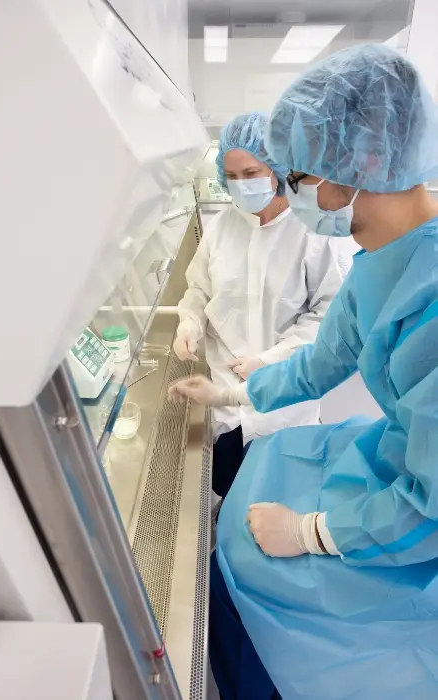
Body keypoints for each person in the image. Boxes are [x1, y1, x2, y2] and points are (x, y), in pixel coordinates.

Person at [170, 44, 438, 700]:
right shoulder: (380, 259)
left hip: (413, 526)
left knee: (244, 575)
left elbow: (428, 508)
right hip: (389, 469)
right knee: (232, 542)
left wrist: (311, 533)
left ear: (362, 166)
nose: (291, 195)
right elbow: (319, 364)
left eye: (296, 178)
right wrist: (231, 391)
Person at [173, 112, 344, 500]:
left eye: (250, 173)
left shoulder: (313, 233)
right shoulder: (223, 226)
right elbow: (200, 288)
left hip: (285, 407)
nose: (240, 185)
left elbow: (329, 319)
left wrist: (271, 358)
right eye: (231, 176)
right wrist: (189, 322)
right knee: (229, 498)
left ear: (279, 169)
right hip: (224, 402)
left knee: (281, 504)